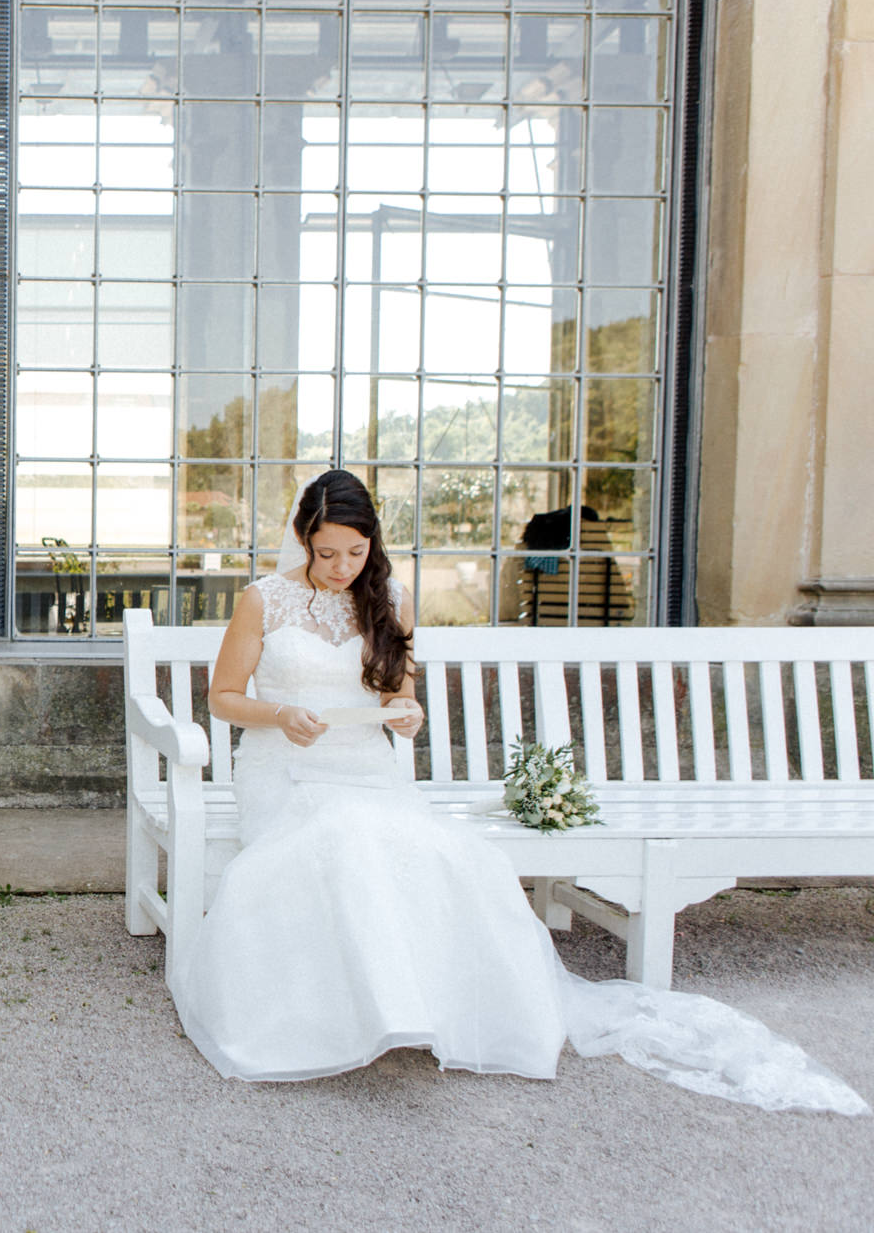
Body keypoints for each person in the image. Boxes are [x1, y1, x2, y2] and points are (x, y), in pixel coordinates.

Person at [167, 470, 868, 1113]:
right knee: (346, 837)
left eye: (354, 552)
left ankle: (440, 1006)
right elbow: (225, 697)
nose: (341, 567)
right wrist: (281, 714)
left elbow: (399, 695)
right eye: (326, 554)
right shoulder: (266, 599)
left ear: (369, 543)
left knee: (452, 853)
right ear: (303, 539)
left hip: (365, 766)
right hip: (285, 769)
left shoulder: (389, 598)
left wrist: (407, 711)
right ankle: (363, 1012)